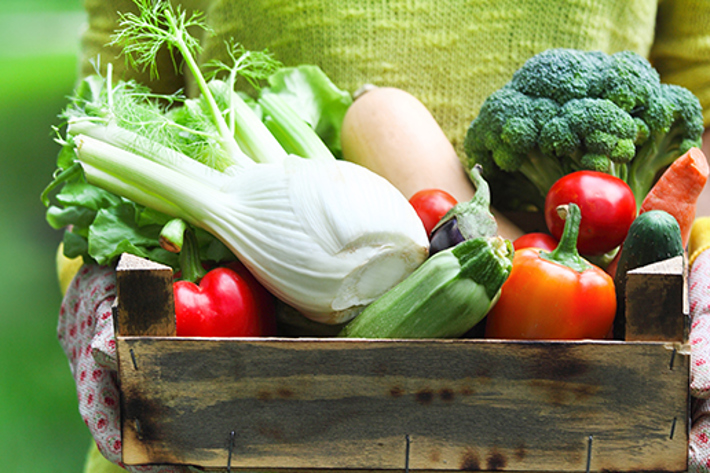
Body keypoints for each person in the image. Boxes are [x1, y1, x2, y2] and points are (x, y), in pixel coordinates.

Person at [63, 0, 710, 471]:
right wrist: (102, 300)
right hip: (223, 433)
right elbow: (110, 101)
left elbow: (700, 107)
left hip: (583, 423)